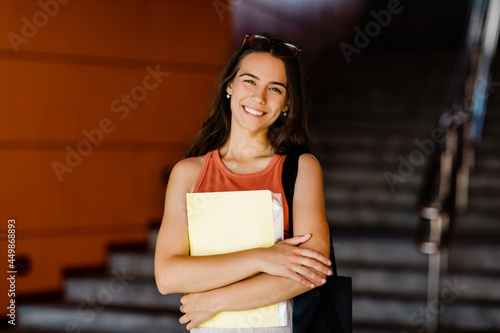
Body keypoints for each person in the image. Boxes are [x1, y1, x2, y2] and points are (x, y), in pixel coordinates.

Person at [154, 33, 331, 331]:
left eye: (275, 88)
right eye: (249, 81)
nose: (259, 98)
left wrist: (213, 301)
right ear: (230, 85)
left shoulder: (301, 168)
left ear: (287, 103)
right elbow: (168, 276)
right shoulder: (187, 173)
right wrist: (263, 258)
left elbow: (312, 271)